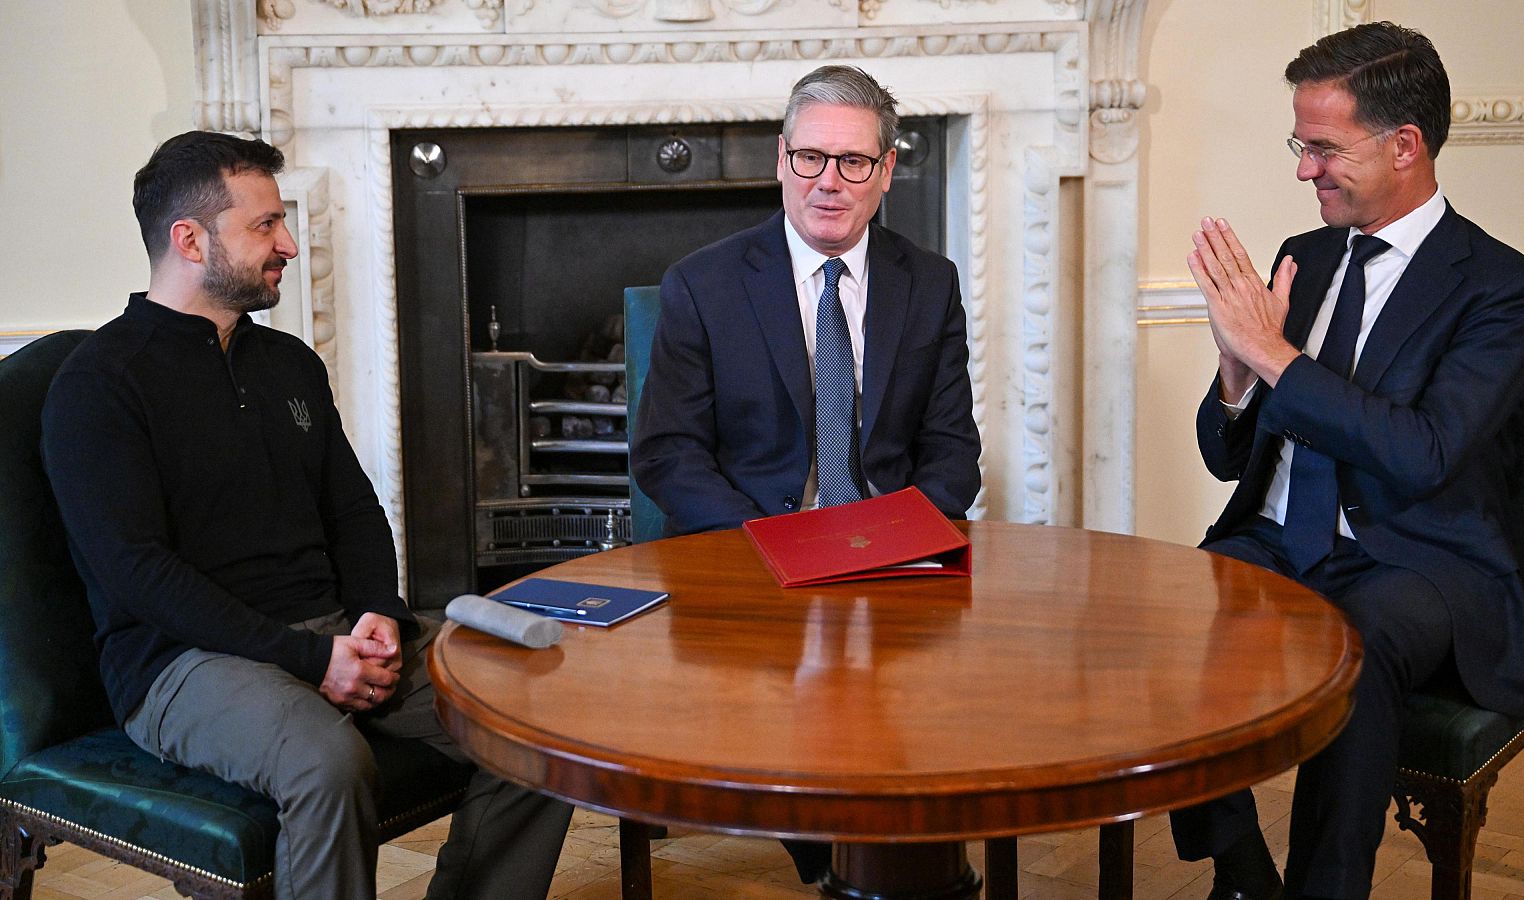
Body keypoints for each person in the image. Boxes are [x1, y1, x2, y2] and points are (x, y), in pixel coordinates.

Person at [40, 131, 573, 900]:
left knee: (538, 718)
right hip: (181, 662)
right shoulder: (99, 384)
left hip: (330, 629)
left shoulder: (288, 363)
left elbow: (352, 510)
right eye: (265, 225)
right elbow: (138, 575)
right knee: (326, 763)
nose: (288, 244)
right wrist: (310, 660)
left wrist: (378, 611)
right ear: (189, 240)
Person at [1171, 22, 1524, 900]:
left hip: (1417, 558)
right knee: (1170, 610)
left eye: (1324, 149)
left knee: (1355, 642)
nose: (1304, 170)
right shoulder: (1302, 259)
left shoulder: (1501, 288)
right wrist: (1236, 373)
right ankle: (1240, 870)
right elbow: (1228, 458)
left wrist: (1273, 356)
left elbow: (1422, 455)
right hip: (1275, 540)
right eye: (1299, 146)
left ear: (1405, 145)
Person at [630, 64, 982, 539]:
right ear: (782, 158)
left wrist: (899, 535)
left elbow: (952, 449)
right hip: (747, 545)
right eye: (810, 157)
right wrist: (772, 540)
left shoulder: (931, 283)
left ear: (886, 170)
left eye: (853, 161)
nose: (829, 182)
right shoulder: (701, 285)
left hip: (891, 541)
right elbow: (669, 453)